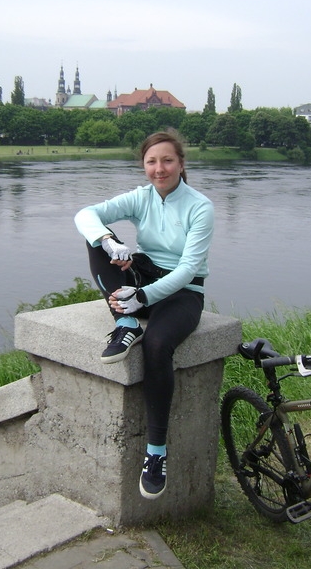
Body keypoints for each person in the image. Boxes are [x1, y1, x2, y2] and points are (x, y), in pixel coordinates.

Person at [74, 130, 214, 500]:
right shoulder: (142, 197)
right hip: (144, 277)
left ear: (181, 164)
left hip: (183, 292)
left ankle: (156, 453)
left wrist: (143, 296)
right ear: (144, 165)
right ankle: (125, 323)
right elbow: (85, 214)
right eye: (152, 161)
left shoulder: (200, 207)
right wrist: (109, 241)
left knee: (157, 345)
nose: (159, 168)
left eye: (167, 160)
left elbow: (189, 269)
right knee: (95, 240)